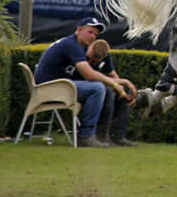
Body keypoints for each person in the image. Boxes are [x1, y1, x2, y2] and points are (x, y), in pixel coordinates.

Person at [34, 17, 137, 147]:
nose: (93, 36)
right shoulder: (71, 44)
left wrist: (122, 84)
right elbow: (89, 75)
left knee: (109, 89)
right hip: (50, 87)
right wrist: (117, 83)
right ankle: (86, 136)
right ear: (79, 30)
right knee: (98, 88)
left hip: (62, 86)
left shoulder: (80, 46)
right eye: (90, 32)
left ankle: (115, 136)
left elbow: (98, 75)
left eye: (95, 34)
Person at [80, 39, 137, 146]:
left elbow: (113, 76)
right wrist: (122, 82)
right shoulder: (81, 53)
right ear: (90, 49)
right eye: (91, 59)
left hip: (96, 85)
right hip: (83, 86)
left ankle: (118, 136)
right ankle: (101, 135)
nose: (92, 62)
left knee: (122, 90)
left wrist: (122, 90)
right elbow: (91, 77)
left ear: (105, 55)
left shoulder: (106, 57)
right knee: (107, 91)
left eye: (96, 61)